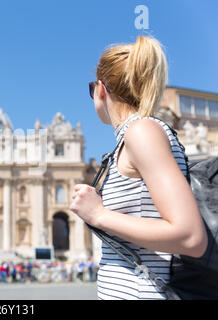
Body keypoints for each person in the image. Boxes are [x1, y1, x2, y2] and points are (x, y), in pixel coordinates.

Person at [70, 35, 208, 300]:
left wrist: (98, 215)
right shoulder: (131, 137)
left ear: (101, 89)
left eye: (91, 89)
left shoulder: (142, 131)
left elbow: (190, 237)